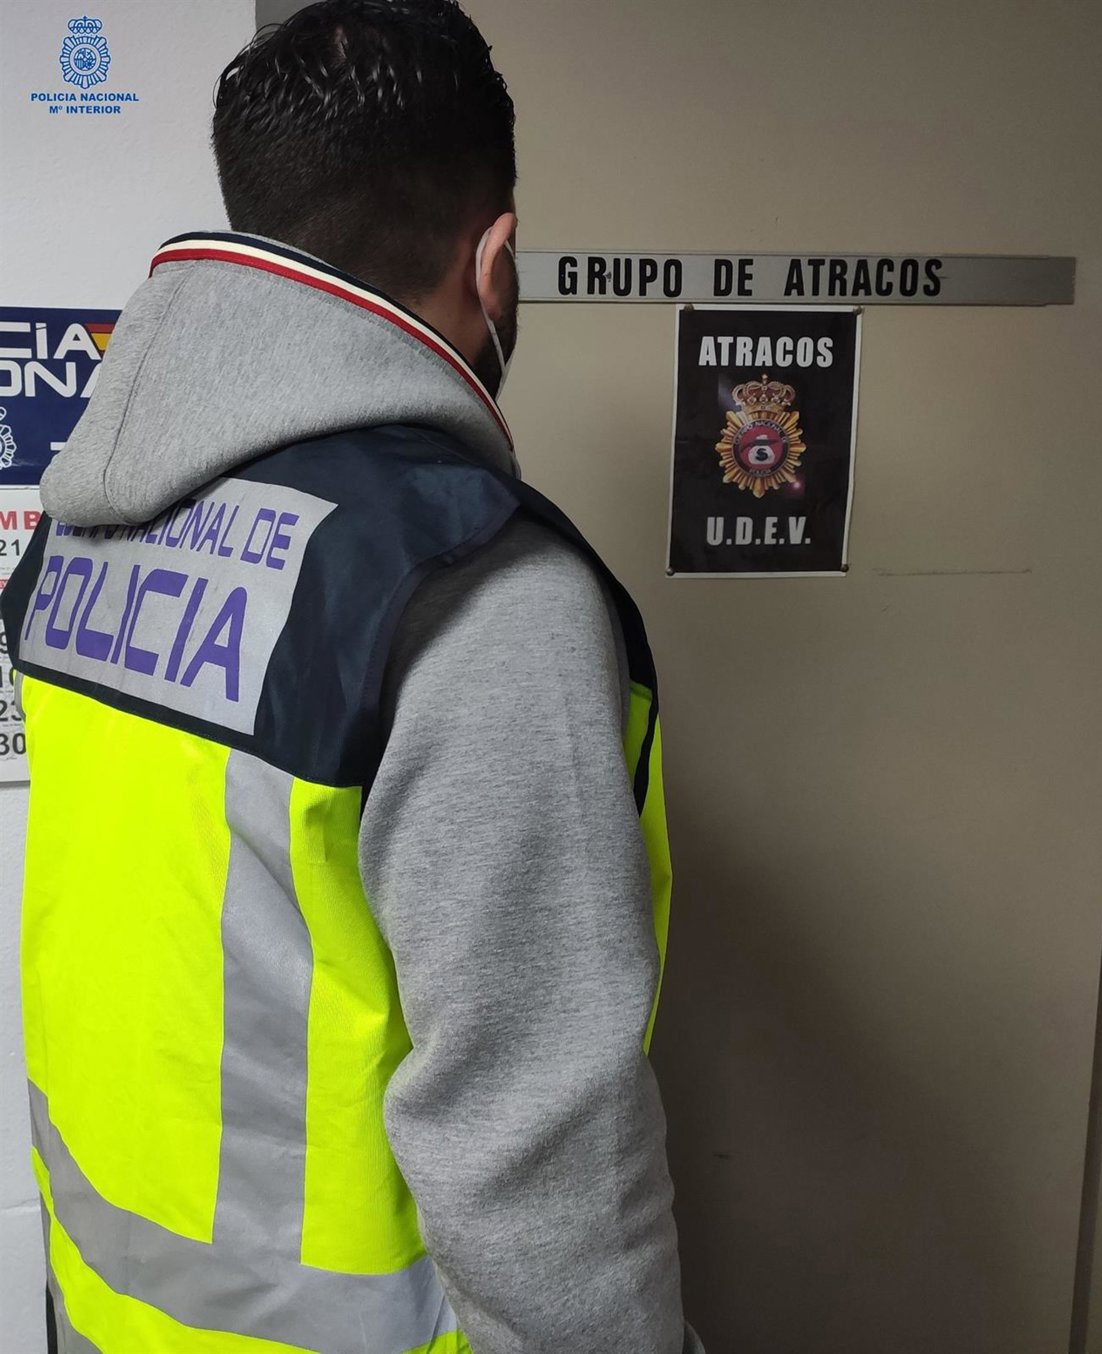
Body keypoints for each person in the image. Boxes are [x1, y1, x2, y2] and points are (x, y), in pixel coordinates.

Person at [3, 2, 702, 1351]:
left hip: (105, 1311)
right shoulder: (476, 593)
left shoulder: (80, 527)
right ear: (495, 259)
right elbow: (537, 1150)